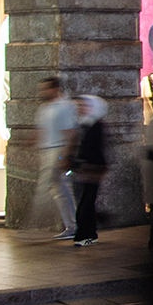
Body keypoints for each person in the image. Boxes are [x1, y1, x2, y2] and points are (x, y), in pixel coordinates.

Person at [36, 77, 78, 240]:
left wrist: (66, 154)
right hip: (47, 150)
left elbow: (70, 131)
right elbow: (42, 130)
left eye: (46, 88)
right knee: (59, 189)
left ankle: (72, 224)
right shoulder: (44, 108)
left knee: (52, 187)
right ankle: (71, 225)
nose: (43, 92)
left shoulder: (65, 106)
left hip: (57, 149)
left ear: (55, 89)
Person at [70, 95, 108, 248]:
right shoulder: (83, 124)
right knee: (86, 203)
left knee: (86, 203)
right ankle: (89, 233)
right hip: (85, 169)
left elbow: (95, 149)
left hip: (93, 169)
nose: (80, 109)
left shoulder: (95, 124)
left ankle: (86, 234)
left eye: (82, 106)